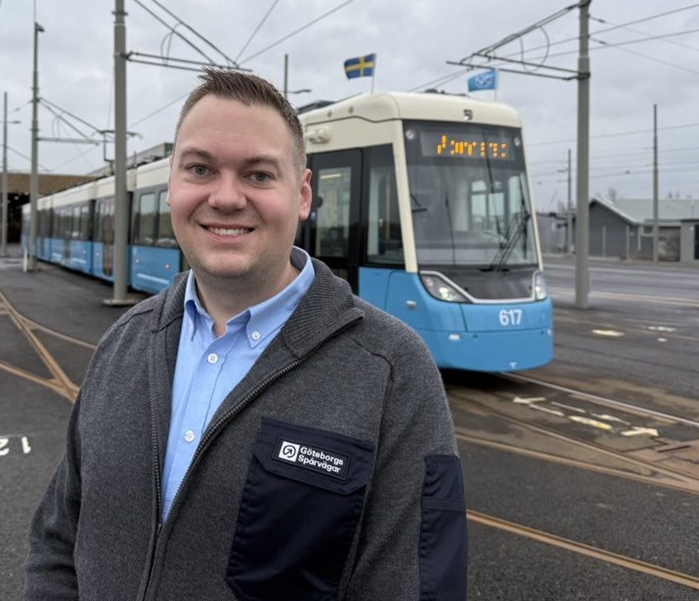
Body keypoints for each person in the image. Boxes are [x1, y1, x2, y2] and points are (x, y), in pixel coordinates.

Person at [25, 69, 467, 600]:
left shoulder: (395, 372)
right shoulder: (124, 341)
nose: (226, 197)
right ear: (172, 186)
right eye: (200, 169)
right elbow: (57, 543)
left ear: (302, 195)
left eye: (258, 174)